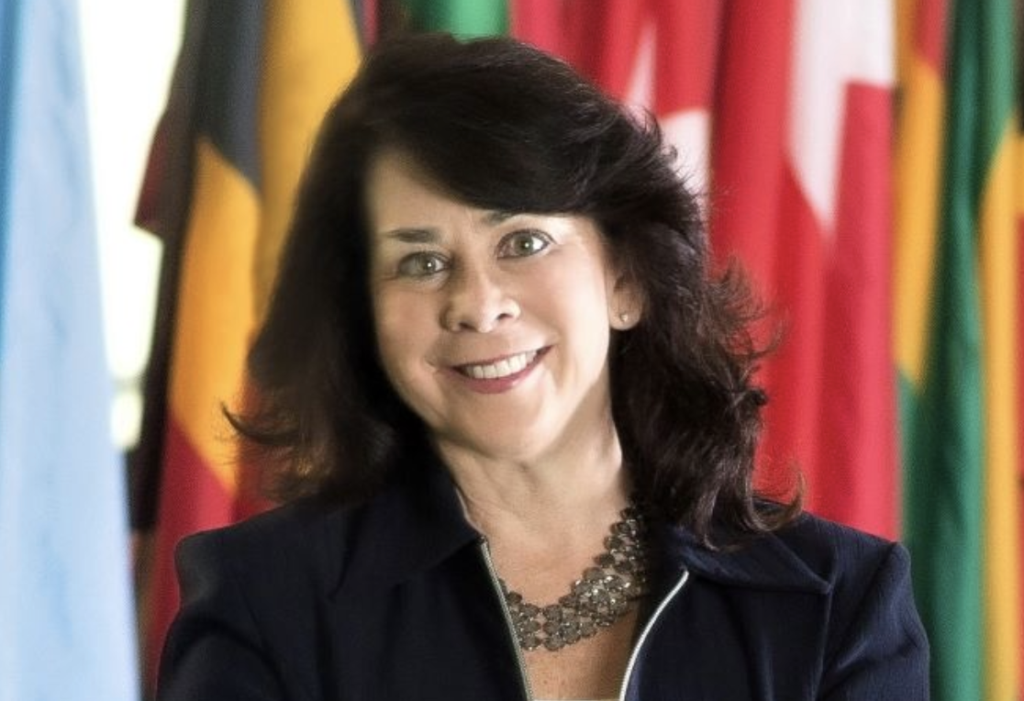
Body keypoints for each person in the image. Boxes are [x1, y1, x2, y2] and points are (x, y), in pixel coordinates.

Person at [156, 32, 929, 701]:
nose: (477, 303)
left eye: (523, 242)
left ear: (624, 280)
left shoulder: (836, 602)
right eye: (420, 261)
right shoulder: (265, 600)